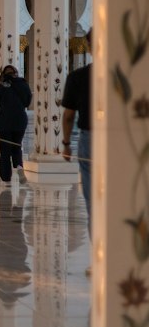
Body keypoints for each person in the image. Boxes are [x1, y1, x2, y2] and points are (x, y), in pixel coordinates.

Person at [61, 33, 91, 225]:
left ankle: (101, 247)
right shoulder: (126, 73)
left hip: (89, 138)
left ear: (88, 46)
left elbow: (69, 116)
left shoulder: (77, 77)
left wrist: (66, 144)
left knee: (93, 200)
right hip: (120, 138)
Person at [0, 63, 31, 183]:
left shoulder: (2, 87)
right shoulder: (23, 84)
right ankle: (19, 167)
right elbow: (27, 102)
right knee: (17, 146)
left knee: (5, 150)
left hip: (4, 123)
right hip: (20, 122)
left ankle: (6, 177)